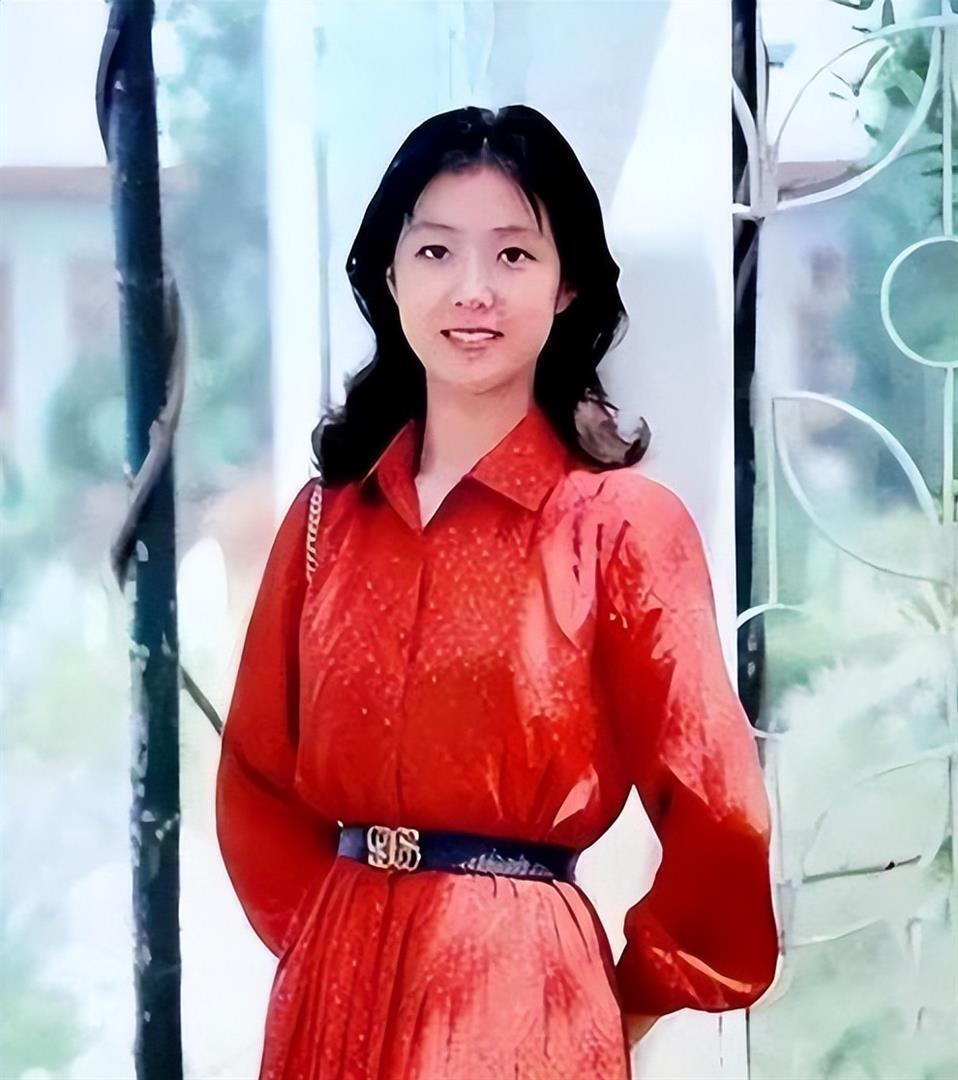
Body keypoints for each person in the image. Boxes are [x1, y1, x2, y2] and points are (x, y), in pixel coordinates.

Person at [215, 104, 779, 1080]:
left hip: (522, 1001)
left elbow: (718, 810)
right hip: (331, 1001)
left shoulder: (619, 527)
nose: (471, 290)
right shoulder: (323, 521)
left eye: (513, 254)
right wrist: (331, 946)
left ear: (567, 286)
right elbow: (255, 782)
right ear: (388, 275)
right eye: (435, 251)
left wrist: (622, 997)